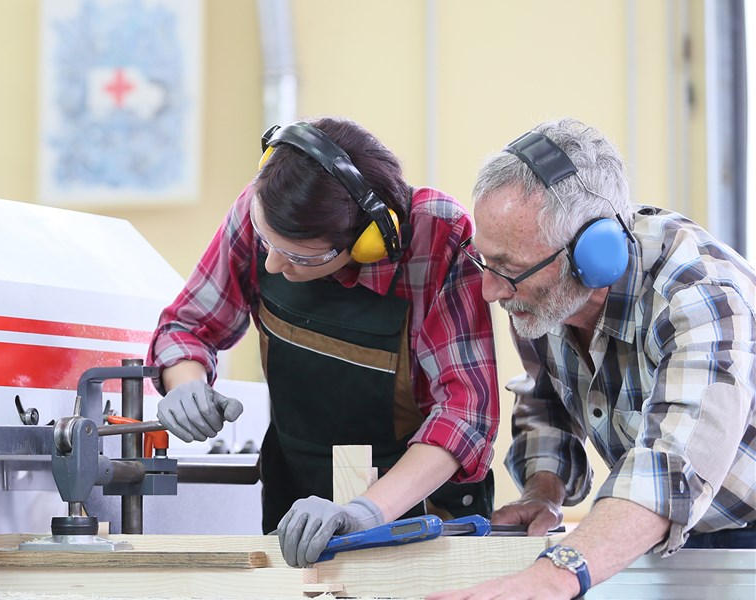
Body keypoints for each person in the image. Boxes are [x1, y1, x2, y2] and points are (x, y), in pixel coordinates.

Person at [146, 116, 500, 568]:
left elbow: (466, 413)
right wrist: (185, 384)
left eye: (297, 255)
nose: (272, 264)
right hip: (297, 496)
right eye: (266, 242)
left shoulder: (437, 236)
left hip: (419, 510)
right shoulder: (263, 211)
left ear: (367, 242)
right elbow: (188, 326)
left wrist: (364, 512)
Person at [431, 118, 756, 600]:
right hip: (657, 529)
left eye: (510, 270)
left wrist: (552, 577)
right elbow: (545, 399)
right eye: (485, 261)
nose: (490, 290)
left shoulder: (699, 296)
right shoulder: (541, 295)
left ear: (594, 255)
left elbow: (669, 473)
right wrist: (543, 492)